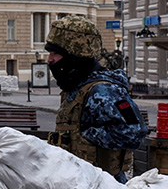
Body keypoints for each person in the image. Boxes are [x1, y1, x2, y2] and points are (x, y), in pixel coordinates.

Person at [44, 15, 147, 184]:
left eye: (56, 53)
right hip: (80, 180)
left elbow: (134, 132)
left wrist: (86, 136)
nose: (50, 59)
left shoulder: (103, 90)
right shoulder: (77, 88)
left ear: (74, 56)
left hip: (102, 182)